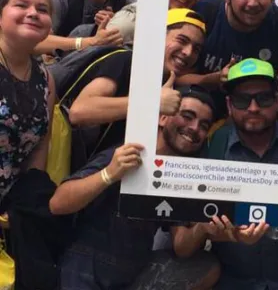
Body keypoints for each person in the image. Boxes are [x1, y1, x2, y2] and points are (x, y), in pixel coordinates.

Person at [174, 58, 278, 290]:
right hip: (233, 280)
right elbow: (197, 222)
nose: (253, 108)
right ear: (229, 105)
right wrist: (226, 232)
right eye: (242, 100)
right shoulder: (213, 145)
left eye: (263, 99)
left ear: (276, 102)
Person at [51, 87, 220, 290]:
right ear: (163, 118)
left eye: (203, 125)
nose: (194, 128)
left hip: (134, 271)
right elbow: (58, 203)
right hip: (86, 265)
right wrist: (109, 174)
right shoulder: (130, 151)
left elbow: (181, 247)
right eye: (187, 116)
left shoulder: (178, 174)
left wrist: (203, 226)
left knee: (207, 266)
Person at [66, 8, 206, 162]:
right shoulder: (126, 60)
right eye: (182, 40)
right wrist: (152, 102)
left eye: (196, 49)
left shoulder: (169, 87)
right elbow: (79, 112)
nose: (188, 52)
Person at [183, 0, 278, 116]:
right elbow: (172, 76)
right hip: (196, 112)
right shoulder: (203, 13)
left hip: (255, 121)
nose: (252, 3)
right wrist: (210, 79)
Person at [0, 0, 54, 200]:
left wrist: (28, 199)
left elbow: (41, 145)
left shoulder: (45, 78)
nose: (33, 13)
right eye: (21, 5)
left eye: (42, 9)